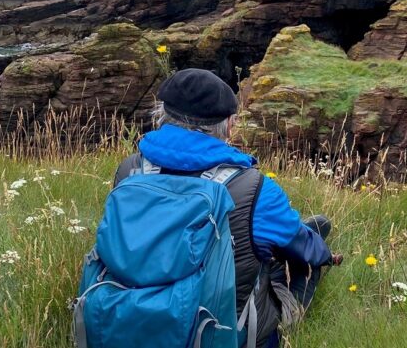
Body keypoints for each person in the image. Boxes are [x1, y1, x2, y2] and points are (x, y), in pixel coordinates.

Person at [113, 68, 337, 347]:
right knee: (303, 261)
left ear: (162, 113)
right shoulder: (254, 188)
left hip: (129, 319)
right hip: (217, 331)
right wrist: (325, 256)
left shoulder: (130, 171)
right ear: (230, 125)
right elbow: (302, 249)